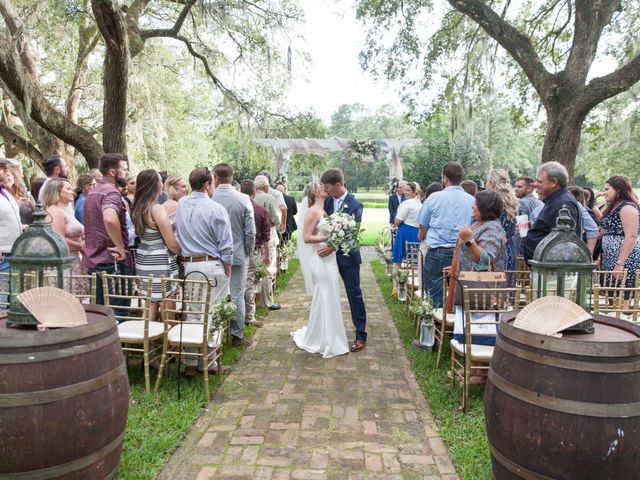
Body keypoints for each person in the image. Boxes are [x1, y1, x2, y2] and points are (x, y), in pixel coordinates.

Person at [175, 167, 235, 355]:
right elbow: (226, 245)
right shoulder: (216, 208)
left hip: (190, 265)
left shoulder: (181, 204)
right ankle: (209, 359)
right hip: (211, 264)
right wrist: (228, 271)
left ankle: (192, 359)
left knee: (194, 312)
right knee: (214, 312)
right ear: (207, 184)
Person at [453, 190, 507, 384]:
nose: (472, 206)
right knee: (472, 327)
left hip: (484, 289)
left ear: (486, 207)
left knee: (481, 327)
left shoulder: (494, 229)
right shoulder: (480, 224)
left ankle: (481, 374)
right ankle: (472, 368)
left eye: (476, 203)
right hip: (470, 285)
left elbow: (486, 259)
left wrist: (469, 239)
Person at [291, 182, 350, 358]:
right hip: (321, 259)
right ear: (314, 192)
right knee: (326, 294)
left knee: (328, 295)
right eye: (321, 186)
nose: (325, 187)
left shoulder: (322, 210)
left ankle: (325, 334)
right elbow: (307, 237)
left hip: (328, 258)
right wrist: (331, 237)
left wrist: (333, 238)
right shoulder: (313, 211)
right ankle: (326, 339)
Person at [320, 168, 368, 352]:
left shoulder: (355, 204)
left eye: (328, 187)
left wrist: (334, 247)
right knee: (326, 294)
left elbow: (353, 233)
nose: (326, 190)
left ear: (338, 185)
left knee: (354, 294)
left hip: (349, 258)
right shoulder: (326, 202)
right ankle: (327, 333)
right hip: (327, 259)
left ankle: (361, 335)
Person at [417, 162, 475, 308]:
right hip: (462, 251)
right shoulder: (472, 200)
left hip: (438, 251)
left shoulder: (434, 198)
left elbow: (422, 225)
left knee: (434, 291)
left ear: (444, 178)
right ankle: (455, 323)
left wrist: (422, 235)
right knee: (459, 291)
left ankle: (436, 322)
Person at [82, 153, 133, 308]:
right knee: (118, 315)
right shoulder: (110, 192)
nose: (126, 173)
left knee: (100, 314)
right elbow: (109, 218)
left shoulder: (93, 192)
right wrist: (120, 246)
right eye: (124, 169)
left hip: (94, 261)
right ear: (112, 172)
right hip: (112, 263)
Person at [212, 163, 256, 344]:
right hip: (238, 253)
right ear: (232, 176)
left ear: (215, 178)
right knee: (237, 294)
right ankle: (237, 335)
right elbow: (250, 232)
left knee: (215, 295)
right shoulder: (244, 198)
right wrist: (247, 251)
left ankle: (215, 336)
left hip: (214, 255)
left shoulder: (210, 198)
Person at [131, 169, 180, 322]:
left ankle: (148, 343)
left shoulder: (137, 208)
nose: (162, 184)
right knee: (167, 304)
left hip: (144, 261)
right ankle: (168, 341)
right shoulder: (156, 209)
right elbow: (171, 242)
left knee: (150, 303)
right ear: (154, 185)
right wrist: (180, 252)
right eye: (159, 181)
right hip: (160, 262)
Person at [523, 162, 583, 262]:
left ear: (554, 182)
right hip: (544, 267)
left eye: (540, 182)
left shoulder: (563, 204)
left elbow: (563, 243)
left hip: (552, 270)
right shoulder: (556, 201)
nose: (536, 185)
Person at [41, 179, 87, 294]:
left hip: (73, 261)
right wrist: (81, 246)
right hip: (63, 265)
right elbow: (57, 240)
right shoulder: (54, 211)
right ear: (56, 191)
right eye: (68, 189)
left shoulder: (63, 211)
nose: (72, 192)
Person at [600, 175, 640, 295]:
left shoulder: (627, 207)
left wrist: (620, 263)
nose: (603, 192)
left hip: (625, 260)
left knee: (622, 298)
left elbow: (631, 236)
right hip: (611, 259)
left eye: (607, 189)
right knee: (611, 296)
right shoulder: (613, 207)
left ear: (618, 190)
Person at [241, 180, 270, 329]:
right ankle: (248, 317)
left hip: (237, 250)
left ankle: (238, 317)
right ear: (253, 193)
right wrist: (267, 254)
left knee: (240, 284)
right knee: (249, 283)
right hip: (254, 250)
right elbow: (266, 236)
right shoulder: (260, 210)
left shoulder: (236, 207)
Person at [254, 175, 281, 310]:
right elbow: (276, 218)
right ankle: (267, 301)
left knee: (253, 269)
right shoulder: (268, 198)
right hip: (267, 235)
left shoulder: (250, 197)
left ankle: (256, 299)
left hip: (253, 238)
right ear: (266, 187)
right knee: (267, 269)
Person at [0, 157, 23, 306]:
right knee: (1, 298)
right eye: (2, 168)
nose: (6, 170)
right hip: (3, 254)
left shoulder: (5, 192)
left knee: (12, 298)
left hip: (13, 251)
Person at [486, 169, 519, 271]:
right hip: (509, 248)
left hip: (494, 249)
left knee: (494, 283)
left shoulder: (492, 202)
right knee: (506, 284)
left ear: (491, 183)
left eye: (487, 181)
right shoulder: (512, 202)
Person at [391, 181, 422, 266]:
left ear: (414, 192)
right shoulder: (419, 203)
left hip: (405, 232)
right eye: (405, 190)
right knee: (415, 259)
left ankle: (399, 276)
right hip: (417, 232)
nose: (405, 193)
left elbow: (397, 221)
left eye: (408, 190)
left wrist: (396, 222)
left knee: (400, 258)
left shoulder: (406, 203)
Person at [514, 175, 543, 255]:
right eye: (515, 186)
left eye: (519, 187)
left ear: (529, 188)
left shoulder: (522, 202)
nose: (516, 189)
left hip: (523, 247)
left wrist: (516, 252)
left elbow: (521, 231)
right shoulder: (539, 202)